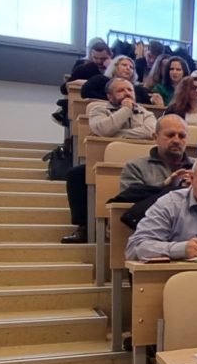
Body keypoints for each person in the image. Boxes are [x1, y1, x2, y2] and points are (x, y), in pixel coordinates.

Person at [61, 78, 159, 243]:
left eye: (130, 90)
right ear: (110, 96)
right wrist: (126, 110)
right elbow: (103, 129)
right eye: (121, 90)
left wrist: (117, 135)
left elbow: (151, 132)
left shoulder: (146, 113)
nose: (127, 93)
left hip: (140, 163)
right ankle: (84, 227)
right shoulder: (98, 109)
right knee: (76, 175)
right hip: (104, 161)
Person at [119, 115, 193, 193]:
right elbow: (130, 198)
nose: (176, 141)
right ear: (155, 137)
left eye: (182, 136)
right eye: (170, 135)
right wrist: (165, 186)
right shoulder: (135, 168)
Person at [82, 56, 152, 103]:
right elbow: (85, 91)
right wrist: (114, 101)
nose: (128, 68)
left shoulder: (137, 89)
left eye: (131, 67)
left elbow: (149, 99)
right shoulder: (100, 80)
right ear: (115, 67)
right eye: (124, 65)